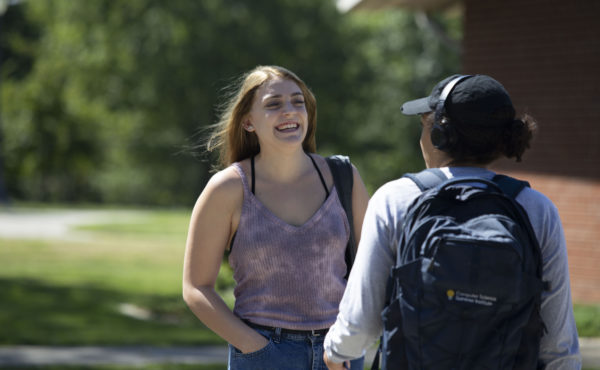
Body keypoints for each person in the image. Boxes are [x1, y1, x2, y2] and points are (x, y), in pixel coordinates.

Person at [323, 74, 582, 369]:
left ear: (439, 136)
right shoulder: (536, 208)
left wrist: (335, 352)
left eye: (424, 127)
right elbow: (558, 343)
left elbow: (361, 321)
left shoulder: (395, 199)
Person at [182, 65, 369, 370]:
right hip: (263, 354)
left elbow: (374, 267)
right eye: (273, 104)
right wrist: (255, 347)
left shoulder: (344, 177)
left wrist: (353, 336)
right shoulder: (228, 188)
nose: (290, 111)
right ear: (248, 122)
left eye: (298, 102)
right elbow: (196, 287)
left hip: (340, 353)